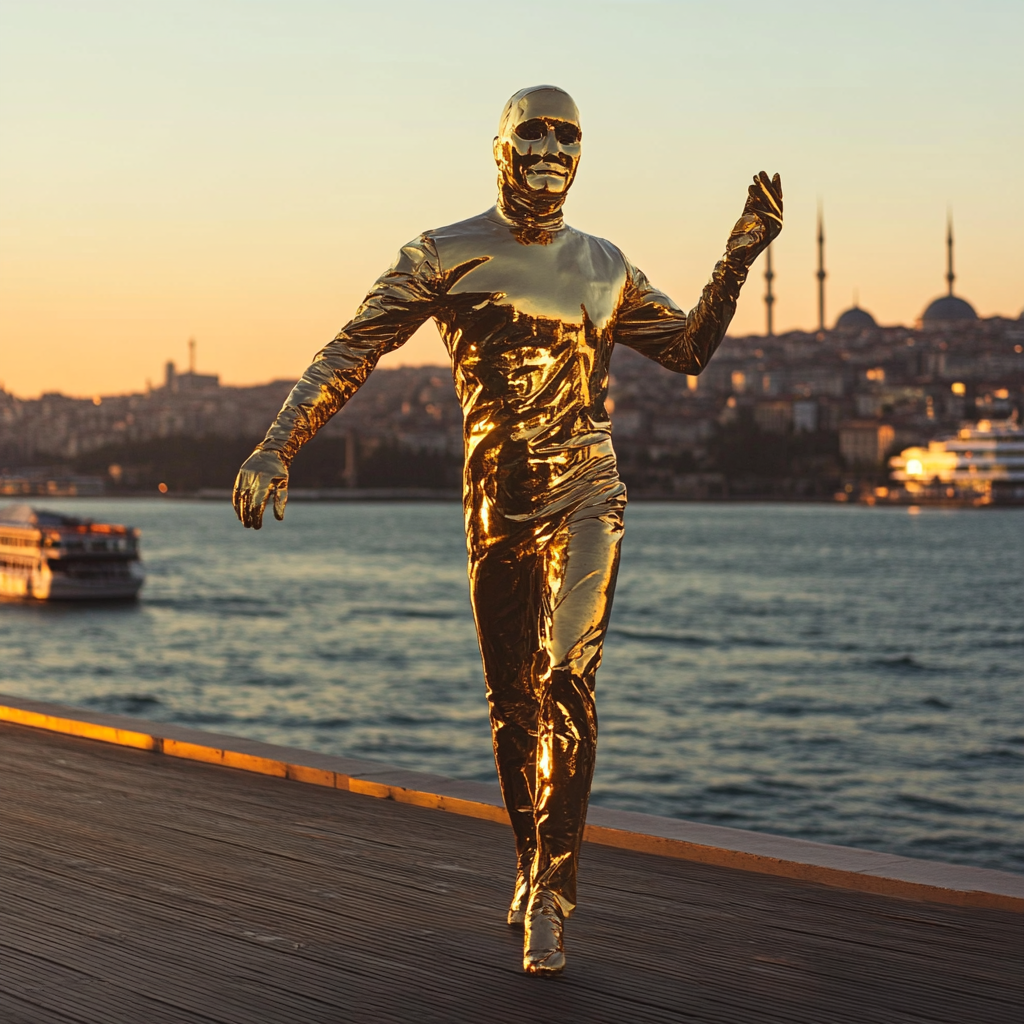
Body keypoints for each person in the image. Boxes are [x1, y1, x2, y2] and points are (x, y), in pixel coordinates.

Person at [233, 84, 782, 974]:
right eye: (535, 129)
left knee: (568, 679)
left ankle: (555, 897)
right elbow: (354, 348)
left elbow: (686, 351)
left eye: (569, 134)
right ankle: (529, 865)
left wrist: (738, 257)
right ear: (498, 145)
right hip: (497, 498)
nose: (552, 147)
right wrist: (275, 445)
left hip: (589, 487)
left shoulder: (605, 263)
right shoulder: (444, 253)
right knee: (512, 707)